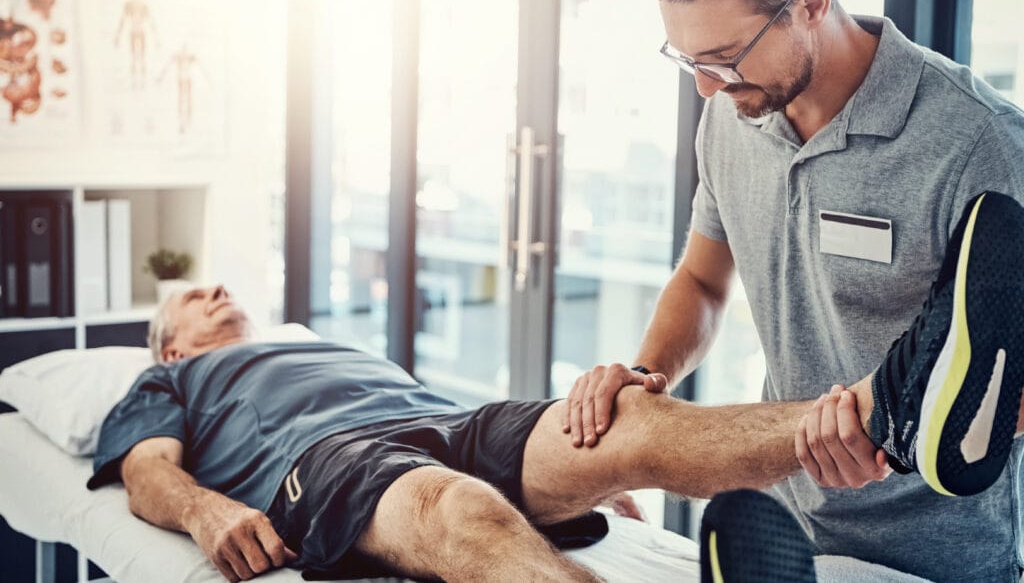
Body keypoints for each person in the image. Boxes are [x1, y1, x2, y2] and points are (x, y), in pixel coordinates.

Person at [89, 189, 1023, 582]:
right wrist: (209, 514)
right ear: (172, 349)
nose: (217, 291)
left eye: (220, 285)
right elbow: (146, 470)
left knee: (633, 419)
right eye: (194, 301)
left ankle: (891, 409)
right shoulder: (180, 381)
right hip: (328, 463)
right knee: (458, 512)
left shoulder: (322, 344)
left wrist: (583, 476)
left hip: (446, 416)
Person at [562, 0, 1024, 580]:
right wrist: (647, 381)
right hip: (781, 533)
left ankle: (899, 417)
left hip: (940, 555)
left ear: (811, 4)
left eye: (724, 56)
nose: (706, 86)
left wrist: (903, 441)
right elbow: (702, 279)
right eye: (689, 60)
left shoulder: (980, 143)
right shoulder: (732, 112)